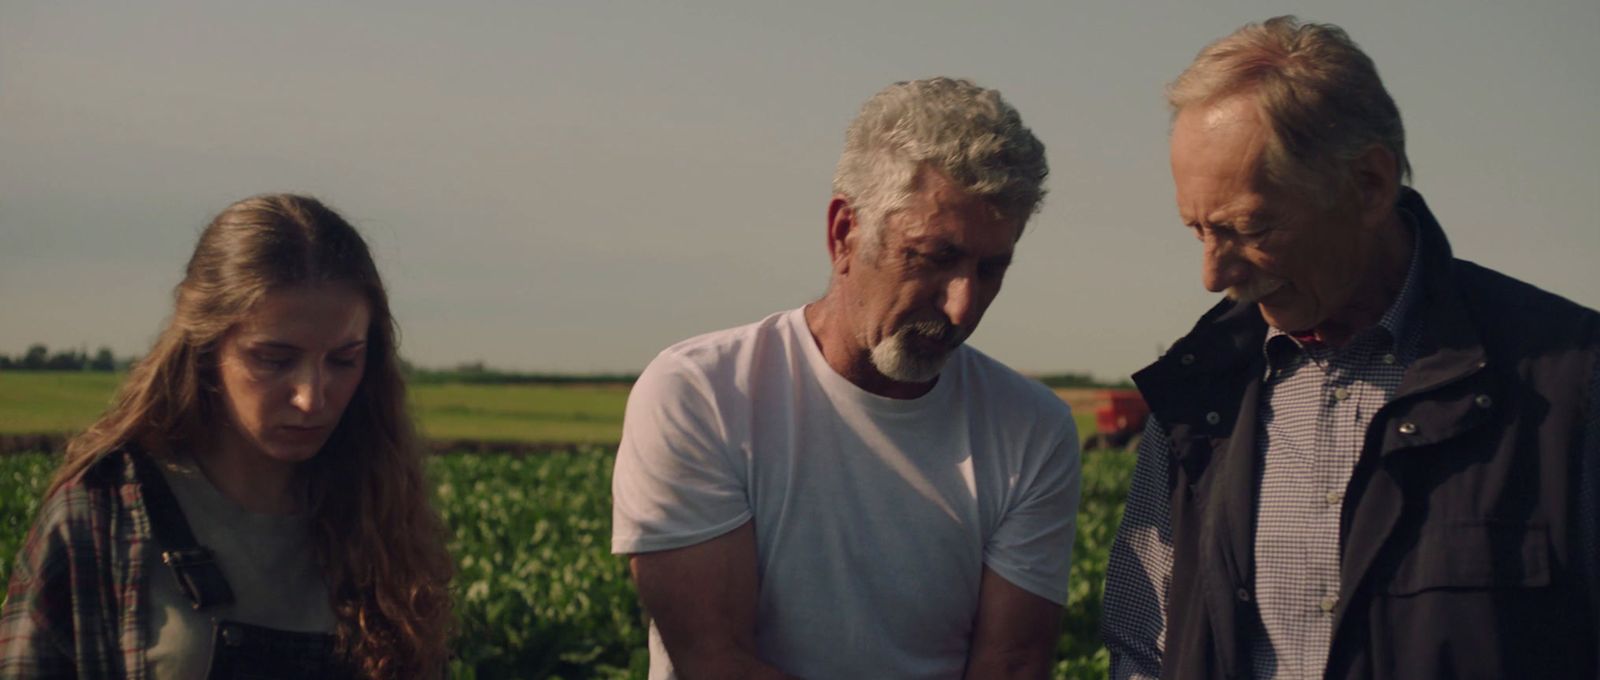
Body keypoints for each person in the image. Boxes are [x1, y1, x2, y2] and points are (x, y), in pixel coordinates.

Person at [1103, 16, 1599, 680]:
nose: (1213, 276)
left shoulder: (1572, 378)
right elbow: (1145, 649)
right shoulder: (1199, 394)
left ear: (1369, 184)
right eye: (1198, 230)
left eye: (1248, 228)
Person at [610, 77, 1081, 679]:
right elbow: (717, 663)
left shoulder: (1031, 430)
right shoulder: (702, 396)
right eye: (935, 258)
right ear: (844, 233)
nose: (963, 306)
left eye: (991, 270)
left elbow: (1011, 666)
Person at [0, 195, 455, 679]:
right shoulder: (102, 515)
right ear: (207, 347)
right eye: (274, 359)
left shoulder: (383, 514)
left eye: (344, 360)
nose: (312, 398)